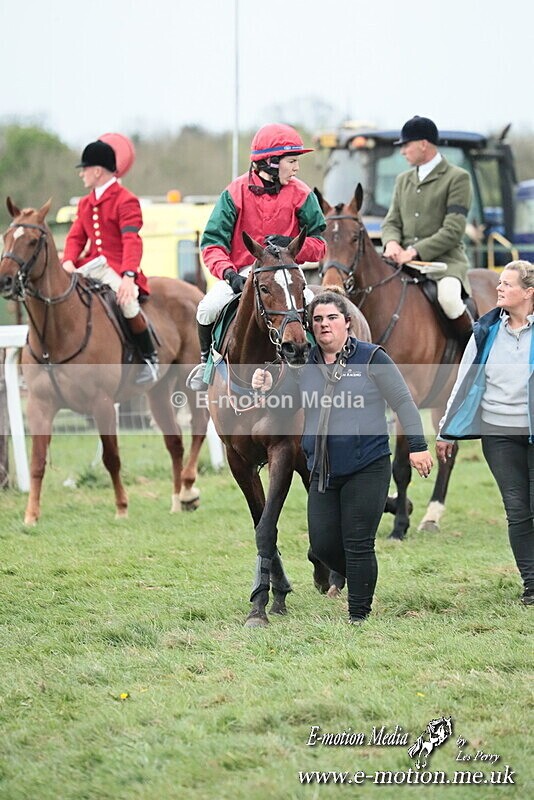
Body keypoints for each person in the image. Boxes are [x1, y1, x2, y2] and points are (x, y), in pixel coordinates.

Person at [252, 290, 433, 624]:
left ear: (347, 323)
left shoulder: (372, 357)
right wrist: (264, 386)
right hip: (322, 469)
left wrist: (419, 446)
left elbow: (404, 403)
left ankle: (358, 616)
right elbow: (286, 404)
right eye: (317, 320)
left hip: (368, 465)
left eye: (332, 318)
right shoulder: (303, 365)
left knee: (358, 542)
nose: (324, 325)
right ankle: (364, 576)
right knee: (322, 546)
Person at [187, 123, 326, 390]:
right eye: (292, 161)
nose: (296, 168)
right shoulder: (234, 193)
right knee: (206, 309)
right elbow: (213, 243)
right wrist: (228, 274)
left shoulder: (302, 193)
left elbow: (320, 244)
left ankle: (319, 373)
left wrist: (293, 245)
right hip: (242, 273)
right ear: (271, 163)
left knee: (315, 309)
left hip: (287, 277)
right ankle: (206, 364)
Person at [437, 260, 534, 606]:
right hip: (499, 433)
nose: (499, 288)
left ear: (528, 292)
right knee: (518, 508)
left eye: (507, 284)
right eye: (500, 283)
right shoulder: (486, 330)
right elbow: (463, 382)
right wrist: (446, 430)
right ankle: (532, 586)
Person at [62, 139, 159, 384]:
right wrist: (68, 261)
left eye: (84, 169)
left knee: (127, 302)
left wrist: (128, 276)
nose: (81, 174)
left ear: (97, 171)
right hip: (91, 266)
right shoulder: (85, 203)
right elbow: (75, 237)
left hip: (115, 267)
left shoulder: (125, 199)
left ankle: (149, 358)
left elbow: (131, 240)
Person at [381, 115, 474, 345]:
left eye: (406, 145)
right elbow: (391, 221)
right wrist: (391, 242)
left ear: (423, 144)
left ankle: (474, 354)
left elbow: (453, 230)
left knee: (449, 299)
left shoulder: (457, 178)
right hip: (403, 262)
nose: (402, 151)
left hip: (444, 263)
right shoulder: (403, 180)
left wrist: (413, 251)